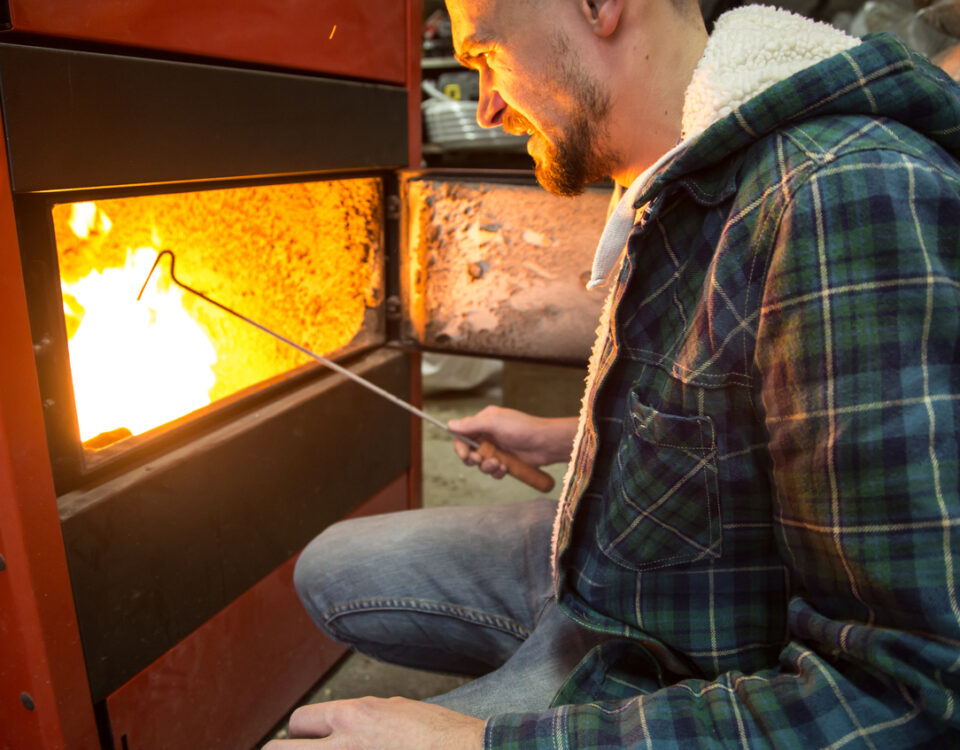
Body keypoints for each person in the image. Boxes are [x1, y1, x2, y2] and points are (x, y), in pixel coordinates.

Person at [265, 0, 960, 746]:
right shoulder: (683, 167)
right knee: (331, 565)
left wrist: (474, 742)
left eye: (487, 56)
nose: (487, 106)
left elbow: (908, 695)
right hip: (624, 556)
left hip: (677, 646)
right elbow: (755, 408)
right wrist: (569, 436)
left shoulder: (839, 195)